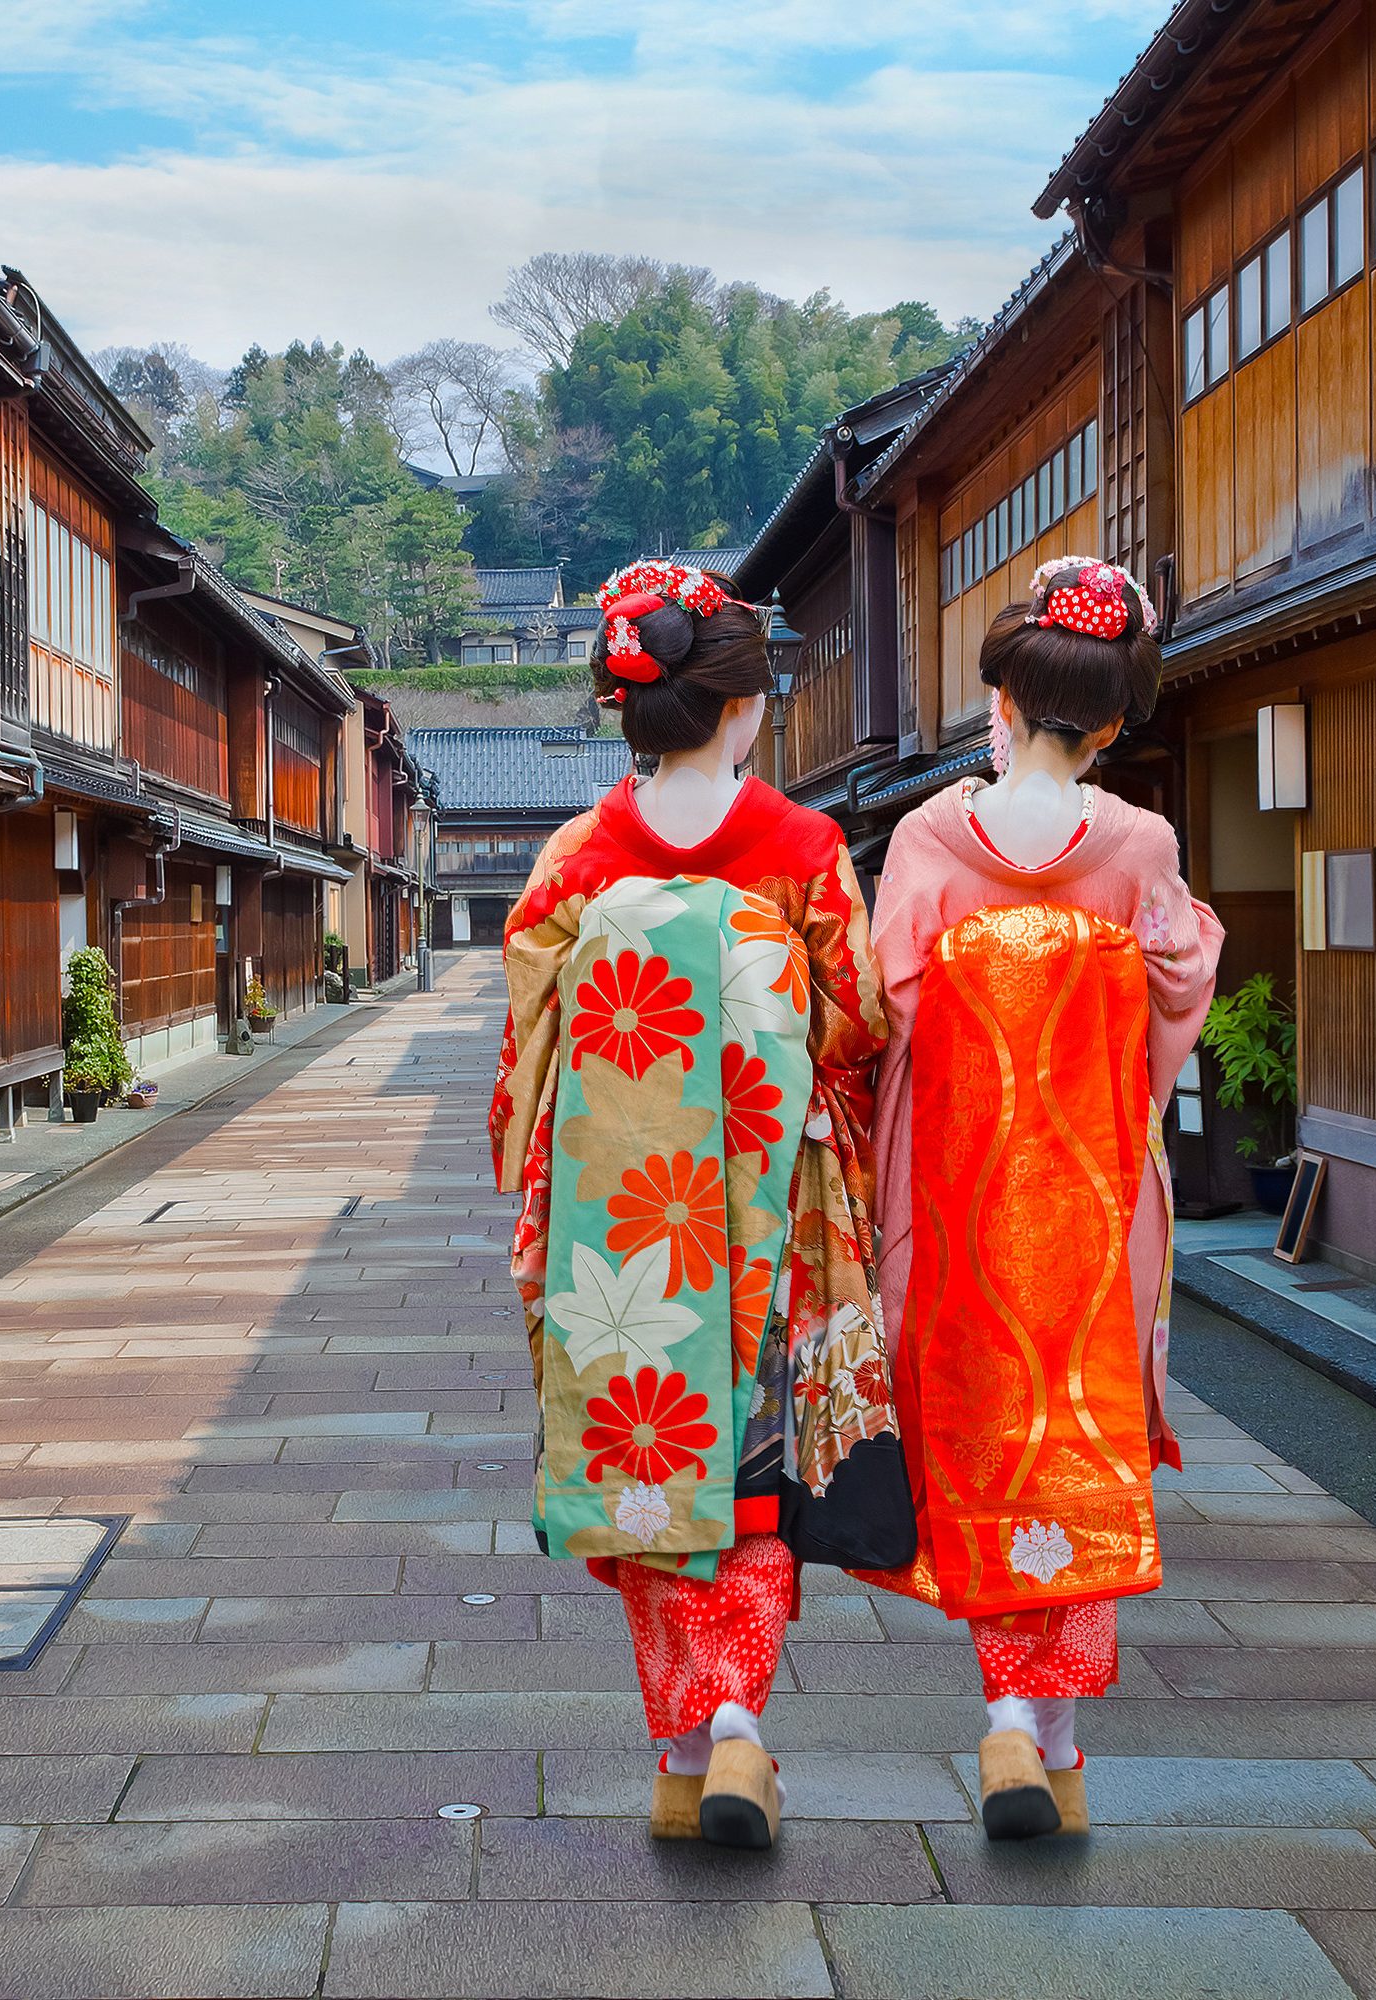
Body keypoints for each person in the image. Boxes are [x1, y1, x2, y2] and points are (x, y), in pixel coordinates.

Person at [491, 560, 903, 1849]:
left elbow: (530, 1052)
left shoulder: (576, 860)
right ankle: (735, 1731)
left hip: (619, 1223)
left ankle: (685, 1748)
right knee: (755, 1467)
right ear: (741, 710)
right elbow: (858, 1026)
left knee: (642, 1463)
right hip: (763, 1220)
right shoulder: (803, 849)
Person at [861, 556, 1224, 1840]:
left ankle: (1013, 1713)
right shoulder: (1141, 845)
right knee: (1080, 1435)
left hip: (956, 1206)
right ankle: (1040, 1726)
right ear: (1116, 721)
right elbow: (1176, 996)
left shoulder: (922, 839)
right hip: (1090, 1200)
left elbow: (882, 1008)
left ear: (996, 707)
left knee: (978, 1432)